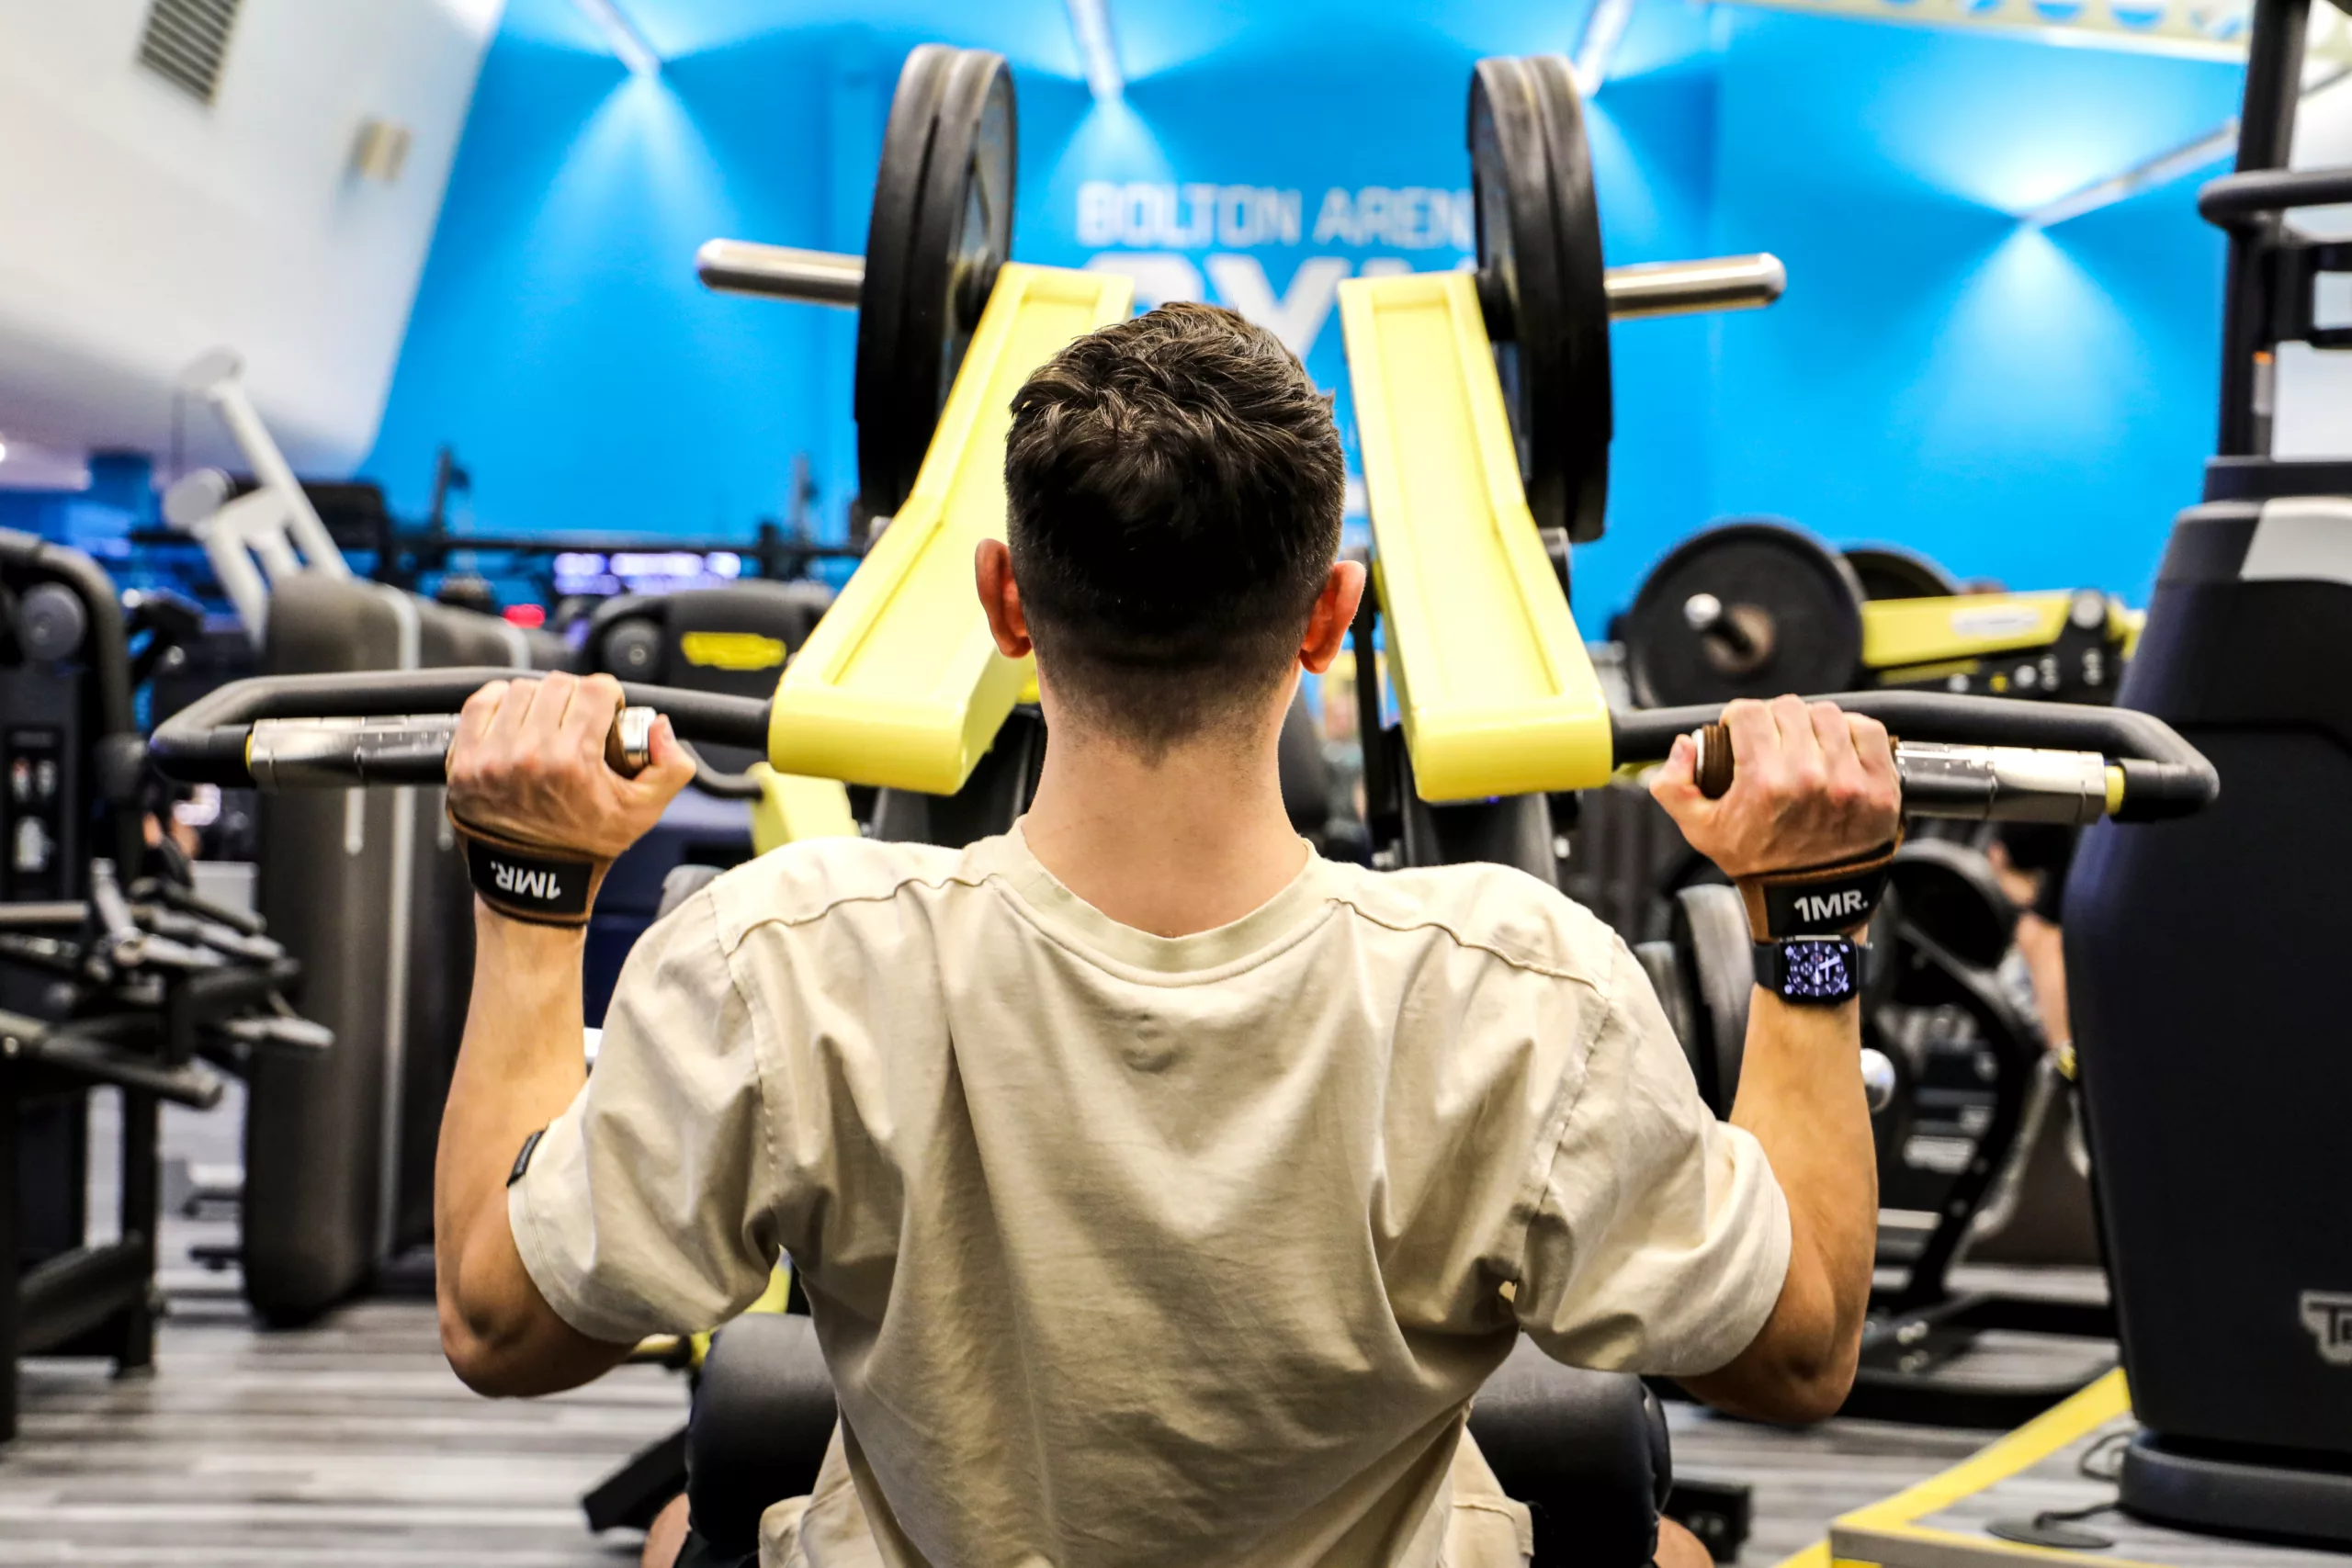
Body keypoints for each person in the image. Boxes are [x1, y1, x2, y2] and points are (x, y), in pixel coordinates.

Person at [432, 303, 1897, 1568]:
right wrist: (1811, 915)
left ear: (1004, 601)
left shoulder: (788, 958)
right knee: (1672, 1543)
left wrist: (533, 883)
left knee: (700, 1523)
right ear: (1331, 617)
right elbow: (1800, 1347)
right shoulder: (1523, 990)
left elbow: (503, 1325)